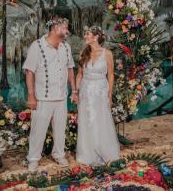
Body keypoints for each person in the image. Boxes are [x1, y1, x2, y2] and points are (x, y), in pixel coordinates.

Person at [23, 16, 76, 172]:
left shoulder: (66, 47)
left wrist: (74, 90)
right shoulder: (37, 46)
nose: (67, 31)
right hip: (42, 98)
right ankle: (33, 158)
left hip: (61, 97)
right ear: (55, 28)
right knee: (38, 130)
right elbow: (29, 72)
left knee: (60, 130)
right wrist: (31, 95)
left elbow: (70, 69)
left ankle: (59, 154)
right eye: (65, 28)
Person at [75, 26, 120, 166]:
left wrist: (110, 95)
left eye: (87, 34)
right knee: (86, 121)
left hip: (100, 91)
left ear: (95, 37)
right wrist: (75, 92)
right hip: (86, 91)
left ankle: (103, 151)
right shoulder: (84, 52)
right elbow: (80, 74)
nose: (85, 37)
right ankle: (88, 153)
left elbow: (111, 75)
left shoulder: (107, 54)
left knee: (100, 120)